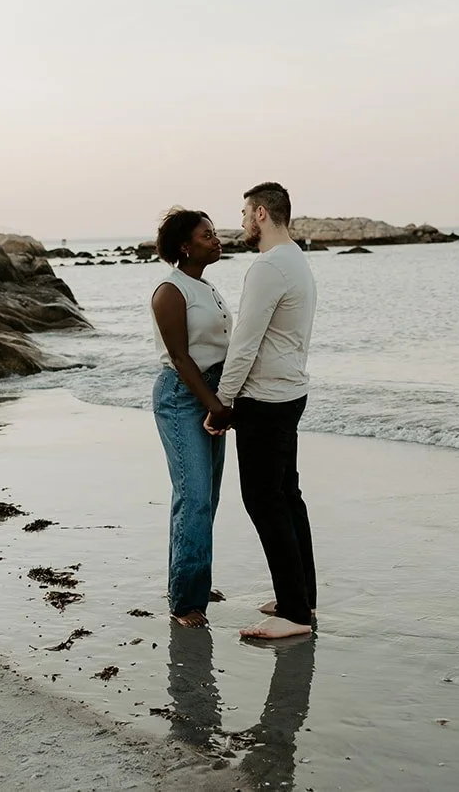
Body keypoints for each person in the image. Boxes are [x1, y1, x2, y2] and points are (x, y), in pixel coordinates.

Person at [205, 182, 318, 640]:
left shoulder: (268, 266)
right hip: (290, 392)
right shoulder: (297, 260)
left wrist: (223, 401)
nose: (242, 222)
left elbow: (245, 342)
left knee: (265, 500)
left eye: (245, 213)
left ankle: (294, 613)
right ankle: (301, 596)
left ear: (262, 215)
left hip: (266, 399)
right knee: (286, 496)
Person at [149, 208, 231, 628]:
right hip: (183, 397)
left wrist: (226, 397)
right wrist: (214, 405)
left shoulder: (208, 287)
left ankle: (192, 581)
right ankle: (185, 602)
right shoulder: (171, 290)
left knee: (204, 498)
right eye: (207, 235)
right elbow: (180, 357)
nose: (216, 240)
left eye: (214, 233)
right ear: (185, 245)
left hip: (212, 393)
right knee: (194, 496)